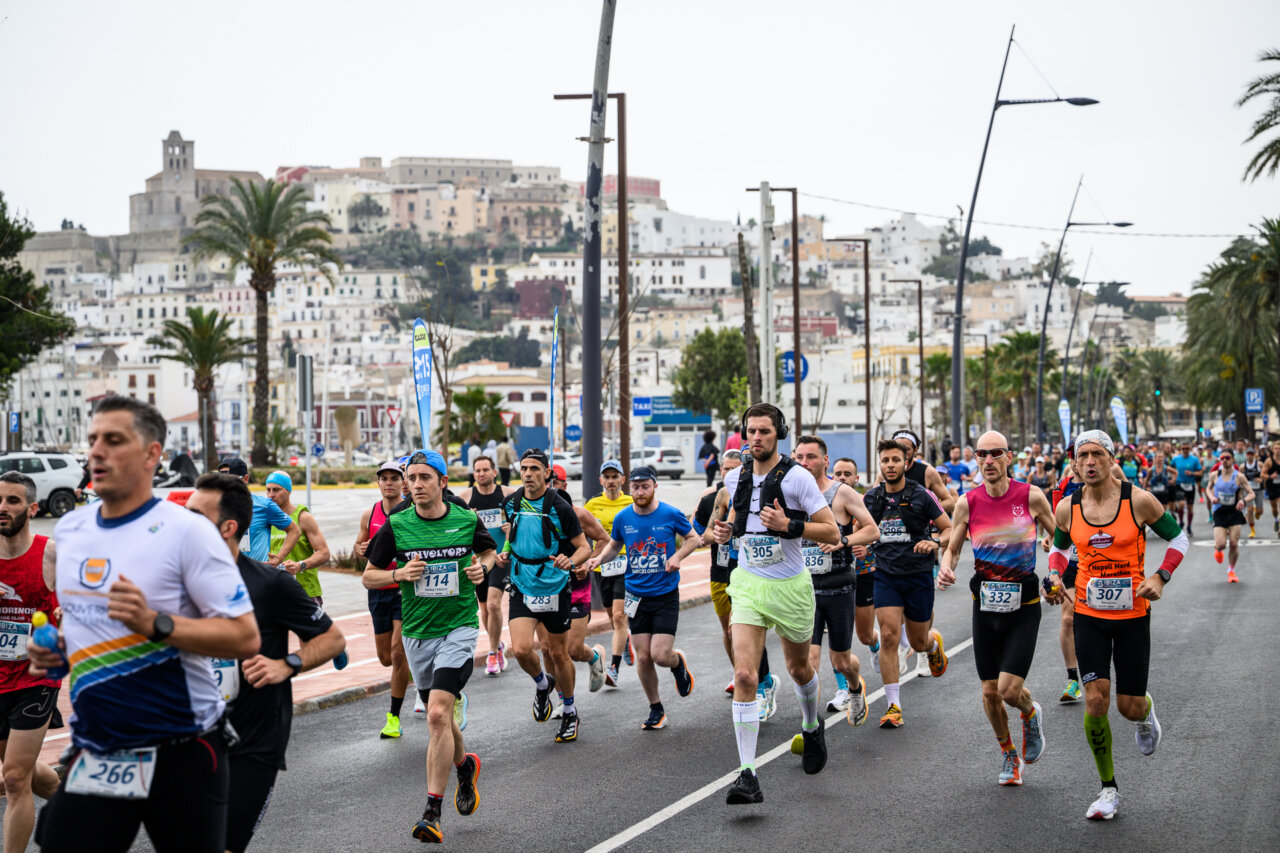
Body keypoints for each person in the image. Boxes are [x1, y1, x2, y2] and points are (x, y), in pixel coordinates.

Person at [30, 395, 260, 853]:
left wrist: (158, 624)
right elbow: (88, 630)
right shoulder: (72, 532)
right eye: (94, 439)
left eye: (114, 440)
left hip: (183, 748)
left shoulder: (188, 531)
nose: (97, 451)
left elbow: (244, 636)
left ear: (153, 453)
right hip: (100, 747)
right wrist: (59, 651)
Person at [186, 474, 346, 853]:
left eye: (195, 516)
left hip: (253, 741)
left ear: (228, 527)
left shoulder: (270, 584)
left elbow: (332, 639)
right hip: (188, 736)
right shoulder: (174, 582)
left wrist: (286, 663)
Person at [1046, 430, 1188, 820]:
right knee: (1095, 700)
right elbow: (1058, 551)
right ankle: (1108, 789)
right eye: (1082, 456)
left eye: (1097, 454)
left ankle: (1145, 713)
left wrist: (1160, 576)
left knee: (1128, 707)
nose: (1089, 462)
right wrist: (1054, 577)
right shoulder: (1067, 508)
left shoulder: (1138, 501)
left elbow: (1179, 540)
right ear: (1074, 464)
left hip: (1132, 617)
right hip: (1090, 616)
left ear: (1111, 459)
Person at [362, 450, 496, 843]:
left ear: (442, 482)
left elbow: (488, 552)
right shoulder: (396, 525)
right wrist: (398, 573)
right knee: (443, 718)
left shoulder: (465, 518)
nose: (415, 485)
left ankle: (431, 813)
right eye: (411, 478)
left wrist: (482, 568)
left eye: (424, 477)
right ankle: (464, 766)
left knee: (437, 713)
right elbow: (368, 576)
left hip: (459, 627)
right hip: (417, 633)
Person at [711, 403, 841, 805]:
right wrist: (725, 531)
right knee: (746, 676)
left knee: (799, 668)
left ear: (778, 433)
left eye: (764, 431)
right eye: (750, 431)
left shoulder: (798, 478)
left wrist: (789, 526)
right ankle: (747, 774)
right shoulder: (735, 478)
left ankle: (810, 724)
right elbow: (737, 520)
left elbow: (832, 531)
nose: (756, 438)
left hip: (790, 586)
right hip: (748, 582)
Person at [939, 431, 1055, 786]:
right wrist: (946, 566)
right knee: (990, 691)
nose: (988, 461)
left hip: (1024, 605)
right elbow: (955, 548)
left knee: (1008, 690)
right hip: (985, 605)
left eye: (995, 454)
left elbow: (1060, 540)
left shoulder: (1031, 496)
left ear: (1009, 457)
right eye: (982, 454)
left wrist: (1054, 566)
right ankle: (1008, 753)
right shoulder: (967, 502)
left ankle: (1029, 712)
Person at [586, 466, 700, 728]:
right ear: (631, 488)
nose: (640, 491)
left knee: (660, 655)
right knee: (644, 657)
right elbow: (615, 545)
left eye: (645, 486)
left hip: (665, 594)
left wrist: (677, 557)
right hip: (635, 595)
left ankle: (676, 662)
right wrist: (598, 559)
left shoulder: (670, 513)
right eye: (636, 487)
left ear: (655, 486)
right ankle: (656, 709)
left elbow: (693, 538)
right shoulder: (623, 517)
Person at [495, 449, 592, 744]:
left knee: (557, 653)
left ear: (547, 474)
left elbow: (584, 547)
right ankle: (542, 684)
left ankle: (571, 710)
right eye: (524, 468)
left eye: (534, 469)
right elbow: (511, 538)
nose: (527, 474)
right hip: (523, 585)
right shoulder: (510, 504)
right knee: (522, 650)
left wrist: (571, 561)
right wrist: (504, 554)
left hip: (553, 586)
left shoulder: (559, 507)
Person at [863, 438, 953, 728]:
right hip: (886, 575)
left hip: (917, 576)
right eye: (885, 460)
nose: (890, 465)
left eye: (895, 460)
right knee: (888, 635)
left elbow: (949, 528)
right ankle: (893, 706)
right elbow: (860, 530)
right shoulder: (872, 498)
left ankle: (932, 643)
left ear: (906, 463)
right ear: (880, 463)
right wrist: (861, 546)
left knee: (917, 640)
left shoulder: (922, 495)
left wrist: (935, 542)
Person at [792, 436, 879, 725]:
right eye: (800, 457)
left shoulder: (841, 493)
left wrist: (843, 540)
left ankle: (855, 686)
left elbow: (872, 530)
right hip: (804, 589)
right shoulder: (790, 493)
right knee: (807, 662)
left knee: (842, 661)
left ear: (825, 460)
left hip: (839, 586)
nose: (805, 463)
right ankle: (811, 725)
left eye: (811, 457)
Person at [0, 472, 62, 853]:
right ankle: (70, 798)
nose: (2, 508)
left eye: (12, 501)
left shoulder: (52, 553)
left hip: (36, 678)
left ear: (32, 508)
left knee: (14, 778)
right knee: (18, 770)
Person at [354, 460, 418, 737]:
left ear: (403, 483)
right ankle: (410, 670)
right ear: (378, 483)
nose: (389, 482)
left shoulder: (412, 511)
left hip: (405, 590)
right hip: (378, 589)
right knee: (385, 658)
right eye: (384, 478)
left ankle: (393, 717)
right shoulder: (370, 513)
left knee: (397, 650)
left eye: (394, 477)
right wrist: (362, 548)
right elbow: (359, 546)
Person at [453, 456, 515, 676]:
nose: (481, 474)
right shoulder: (466, 497)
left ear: (494, 472)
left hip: (501, 557)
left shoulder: (507, 494)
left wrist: (512, 529)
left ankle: (492, 652)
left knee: (494, 604)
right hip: (479, 559)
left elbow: (522, 519)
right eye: (477, 470)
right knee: (485, 609)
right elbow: (455, 526)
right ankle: (497, 644)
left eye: (485, 470)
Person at [583, 461, 636, 688]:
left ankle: (613, 668)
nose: (611, 481)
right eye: (607, 477)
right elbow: (582, 534)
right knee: (611, 615)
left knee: (619, 616)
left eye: (615, 476)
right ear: (601, 480)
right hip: (602, 567)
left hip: (627, 564)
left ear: (623, 480)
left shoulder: (632, 502)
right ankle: (624, 639)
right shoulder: (592, 505)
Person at [263, 471, 330, 605]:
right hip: (273, 592)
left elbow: (324, 553)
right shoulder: (264, 519)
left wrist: (300, 565)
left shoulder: (303, 517)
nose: (271, 495)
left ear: (288, 490)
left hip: (304, 592)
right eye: (268, 490)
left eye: (276, 490)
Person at [217, 457, 300, 566]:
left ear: (245, 479)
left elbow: (294, 530)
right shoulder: (214, 507)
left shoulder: (264, 506)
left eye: (230, 479)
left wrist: (278, 558)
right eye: (221, 480)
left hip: (256, 577)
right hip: (228, 575)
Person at [1207, 449, 1253, 583]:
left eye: (1227, 457)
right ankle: (1218, 549)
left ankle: (1231, 570)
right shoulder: (1215, 475)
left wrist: (1243, 501)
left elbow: (1251, 493)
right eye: (1222, 458)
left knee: (1233, 543)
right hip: (1219, 511)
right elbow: (1208, 488)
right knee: (1221, 544)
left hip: (1235, 512)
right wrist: (1211, 497)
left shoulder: (1239, 477)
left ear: (1232, 459)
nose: (1225, 460)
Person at [1170, 444, 1203, 533]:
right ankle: (1181, 521)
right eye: (1183, 448)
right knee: (1181, 504)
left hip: (1190, 485)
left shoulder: (1194, 459)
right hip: (1179, 484)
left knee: (1190, 508)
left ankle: (1189, 526)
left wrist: (1192, 473)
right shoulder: (1176, 459)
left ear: (1190, 449)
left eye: (1186, 448)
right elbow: (1170, 468)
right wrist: (1173, 477)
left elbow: (1200, 472)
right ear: (1181, 449)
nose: (1185, 450)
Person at [1241, 447, 1264, 538]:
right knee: (1249, 510)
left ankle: (1258, 513)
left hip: (1258, 490)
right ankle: (1252, 530)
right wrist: (1242, 488)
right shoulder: (1243, 466)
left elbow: (1264, 476)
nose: (1250, 456)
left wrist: (1260, 480)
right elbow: (1240, 479)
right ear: (1246, 455)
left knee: (1259, 511)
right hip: (1248, 491)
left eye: (1251, 454)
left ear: (1254, 455)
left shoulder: (1259, 464)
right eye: (1248, 454)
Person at [1263, 441, 1280, 535]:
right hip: (1271, 487)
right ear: (1273, 450)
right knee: (1274, 509)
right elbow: (1262, 474)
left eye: (1279, 449)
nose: (1278, 451)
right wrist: (1270, 476)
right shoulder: (1269, 461)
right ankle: (1276, 519)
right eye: (1276, 449)